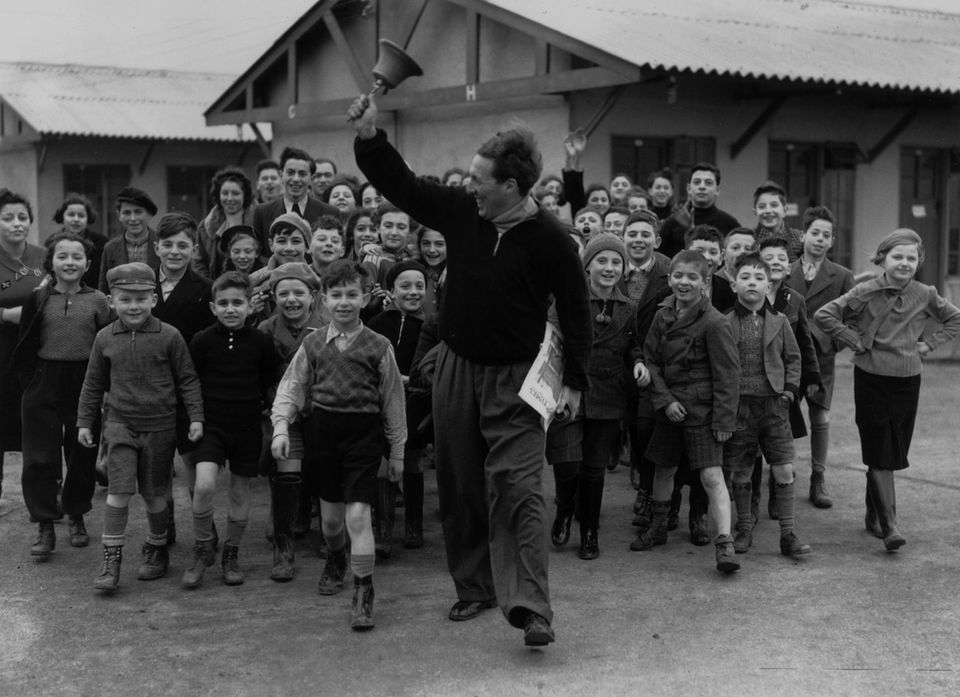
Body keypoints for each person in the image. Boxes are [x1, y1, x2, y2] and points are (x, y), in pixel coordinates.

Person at [349, 93, 591, 648]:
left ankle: (531, 607)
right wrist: (369, 136)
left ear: (512, 186)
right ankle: (475, 586)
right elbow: (404, 186)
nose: (471, 186)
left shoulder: (552, 239)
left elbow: (576, 312)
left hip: (517, 381)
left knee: (522, 490)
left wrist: (575, 381)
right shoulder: (463, 211)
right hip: (456, 369)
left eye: (481, 179)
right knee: (459, 485)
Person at [272, 260, 406, 631]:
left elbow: (393, 401)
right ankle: (336, 558)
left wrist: (396, 452)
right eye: (336, 295)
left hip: (364, 438)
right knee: (332, 523)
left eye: (352, 294)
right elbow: (292, 387)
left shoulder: (379, 346)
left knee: (358, 516)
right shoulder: (312, 343)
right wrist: (281, 426)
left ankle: (364, 592)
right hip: (323, 438)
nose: (344, 302)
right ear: (323, 300)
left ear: (365, 297)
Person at [815, 229, 960, 552]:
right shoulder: (866, 290)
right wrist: (854, 340)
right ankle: (891, 525)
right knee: (879, 448)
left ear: (919, 261)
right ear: (883, 259)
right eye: (897, 256)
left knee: (893, 450)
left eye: (911, 258)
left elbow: (955, 319)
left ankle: (873, 513)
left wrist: (928, 344)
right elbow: (824, 314)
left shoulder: (925, 294)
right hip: (871, 378)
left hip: (908, 381)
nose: (904, 263)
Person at [77, 262, 204, 592]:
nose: (133, 307)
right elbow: (93, 383)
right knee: (118, 493)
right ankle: (111, 560)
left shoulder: (170, 336)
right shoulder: (105, 337)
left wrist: (196, 417)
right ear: (111, 301)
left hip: (160, 427)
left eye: (141, 299)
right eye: (125, 300)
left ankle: (157, 547)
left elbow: (187, 379)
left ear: (154, 299)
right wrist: (84, 422)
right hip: (120, 424)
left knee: (154, 494)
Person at [631, 250, 740, 574]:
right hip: (669, 409)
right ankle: (660, 527)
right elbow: (650, 360)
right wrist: (664, 401)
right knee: (663, 470)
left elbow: (728, 376)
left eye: (692, 277)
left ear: (705, 283)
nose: (684, 282)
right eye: (678, 275)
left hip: (703, 413)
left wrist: (723, 420)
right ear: (669, 278)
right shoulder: (663, 314)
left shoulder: (715, 323)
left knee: (710, 475)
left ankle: (724, 543)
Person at [14, 232, 111, 558]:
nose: (69, 262)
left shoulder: (98, 300)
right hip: (44, 380)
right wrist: (32, 382)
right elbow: (25, 343)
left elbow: (105, 344)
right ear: (51, 262)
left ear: (86, 264)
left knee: (82, 454)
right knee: (40, 457)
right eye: (62, 256)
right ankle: (44, 524)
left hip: (84, 383)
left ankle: (76, 515)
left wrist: (101, 386)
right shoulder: (39, 298)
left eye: (77, 257)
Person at [549, 234, 644, 560]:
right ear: (587, 266)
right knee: (567, 462)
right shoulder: (567, 301)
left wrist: (639, 363)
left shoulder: (628, 307)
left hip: (608, 394)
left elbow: (633, 345)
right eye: (601, 261)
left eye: (616, 262)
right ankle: (564, 510)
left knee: (593, 468)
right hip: (567, 393)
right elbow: (552, 345)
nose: (609, 268)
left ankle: (589, 530)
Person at [183, 272, 277, 588]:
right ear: (213, 307)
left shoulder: (262, 342)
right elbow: (191, 381)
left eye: (238, 303)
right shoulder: (201, 341)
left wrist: (267, 412)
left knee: (240, 491)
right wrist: (195, 418)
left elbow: (269, 379)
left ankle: (231, 553)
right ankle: (201, 547)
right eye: (223, 303)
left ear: (251, 306)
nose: (230, 309)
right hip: (211, 425)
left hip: (248, 426)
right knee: (205, 485)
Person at [722, 252, 811, 559]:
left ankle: (788, 534)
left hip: (774, 406)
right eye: (745, 277)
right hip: (739, 408)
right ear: (734, 285)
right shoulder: (724, 323)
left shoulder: (780, 321)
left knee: (784, 468)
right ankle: (744, 527)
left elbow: (794, 359)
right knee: (742, 471)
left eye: (759, 278)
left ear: (768, 284)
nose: (752, 283)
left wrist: (788, 392)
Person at [784, 206, 854, 509]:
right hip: (787, 356)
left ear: (832, 240)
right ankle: (783, 476)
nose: (820, 239)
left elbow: (852, 322)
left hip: (822, 358)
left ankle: (818, 477)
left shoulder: (841, 276)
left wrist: (828, 343)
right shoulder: (785, 269)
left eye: (826, 235)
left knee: (820, 415)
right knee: (783, 415)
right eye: (815, 233)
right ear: (804, 235)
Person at [152, 212, 215, 544]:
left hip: (190, 386)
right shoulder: (142, 285)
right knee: (159, 461)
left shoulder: (205, 289)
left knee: (192, 457)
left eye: (183, 245)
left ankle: (204, 527)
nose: (175, 252)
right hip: (151, 388)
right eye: (167, 245)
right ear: (156, 247)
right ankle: (166, 527)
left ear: (193, 249)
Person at [258, 262, 321, 580]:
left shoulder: (328, 327)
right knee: (287, 470)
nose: (292, 300)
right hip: (285, 416)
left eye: (299, 293)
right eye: (284, 293)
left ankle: (329, 535)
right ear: (273, 296)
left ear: (313, 296)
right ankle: (283, 552)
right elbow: (260, 377)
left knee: (327, 470)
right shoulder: (266, 331)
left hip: (323, 413)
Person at [368, 260, 429, 555]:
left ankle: (414, 525)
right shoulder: (379, 324)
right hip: (381, 402)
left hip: (415, 401)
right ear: (391, 290)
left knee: (413, 459)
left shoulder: (429, 326)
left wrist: (414, 380)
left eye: (419, 286)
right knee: (384, 461)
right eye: (405, 286)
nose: (413, 292)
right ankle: (383, 530)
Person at [619, 211, 671, 525]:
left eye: (645, 235)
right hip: (616, 359)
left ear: (657, 240)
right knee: (626, 425)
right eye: (633, 234)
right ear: (624, 238)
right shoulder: (612, 266)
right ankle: (637, 468)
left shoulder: (667, 271)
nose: (638, 240)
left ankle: (649, 490)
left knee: (645, 426)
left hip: (653, 362)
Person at [0, 189, 46, 502]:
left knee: (40, 428)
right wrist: (5, 314)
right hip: (1, 352)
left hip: (37, 351)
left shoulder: (44, 257)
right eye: (8, 218)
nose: (17, 223)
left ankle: (46, 502)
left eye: (23, 217)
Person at [252, 146, 338, 253]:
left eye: (302, 174)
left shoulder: (329, 212)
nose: (296, 179)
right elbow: (259, 254)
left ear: (311, 178)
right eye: (290, 172)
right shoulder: (262, 212)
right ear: (281, 175)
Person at [659, 164, 740, 258]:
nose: (702, 187)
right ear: (689, 188)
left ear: (717, 190)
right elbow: (659, 258)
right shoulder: (673, 223)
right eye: (697, 182)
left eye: (708, 183)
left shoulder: (729, 224)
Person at [195, 167, 255, 280]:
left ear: (245, 195)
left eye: (236, 193)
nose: (230, 198)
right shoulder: (205, 227)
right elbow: (200, 263)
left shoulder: (259, 221)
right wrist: (209, 288)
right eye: (225, 193)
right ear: (218, 195)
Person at [98, 186, 160, 293]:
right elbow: (104, 287)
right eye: (127, 213)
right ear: (119, 215)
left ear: (149, 214)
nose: (133, 219)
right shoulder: (110, 248)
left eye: (138, 212)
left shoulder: (161, 244)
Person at [53, 193, 107, 289]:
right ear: (62, 217)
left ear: (88, 218)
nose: (76, 219)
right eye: (71, 215)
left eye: (81, 215)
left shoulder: (101, 244)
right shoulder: (52, 242)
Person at [752, 181, 803, 260]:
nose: (768, 211)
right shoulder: (750, 239)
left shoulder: (799, 239)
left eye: (774, 205)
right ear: (755, 212)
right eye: (762, 206)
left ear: (785, 210)